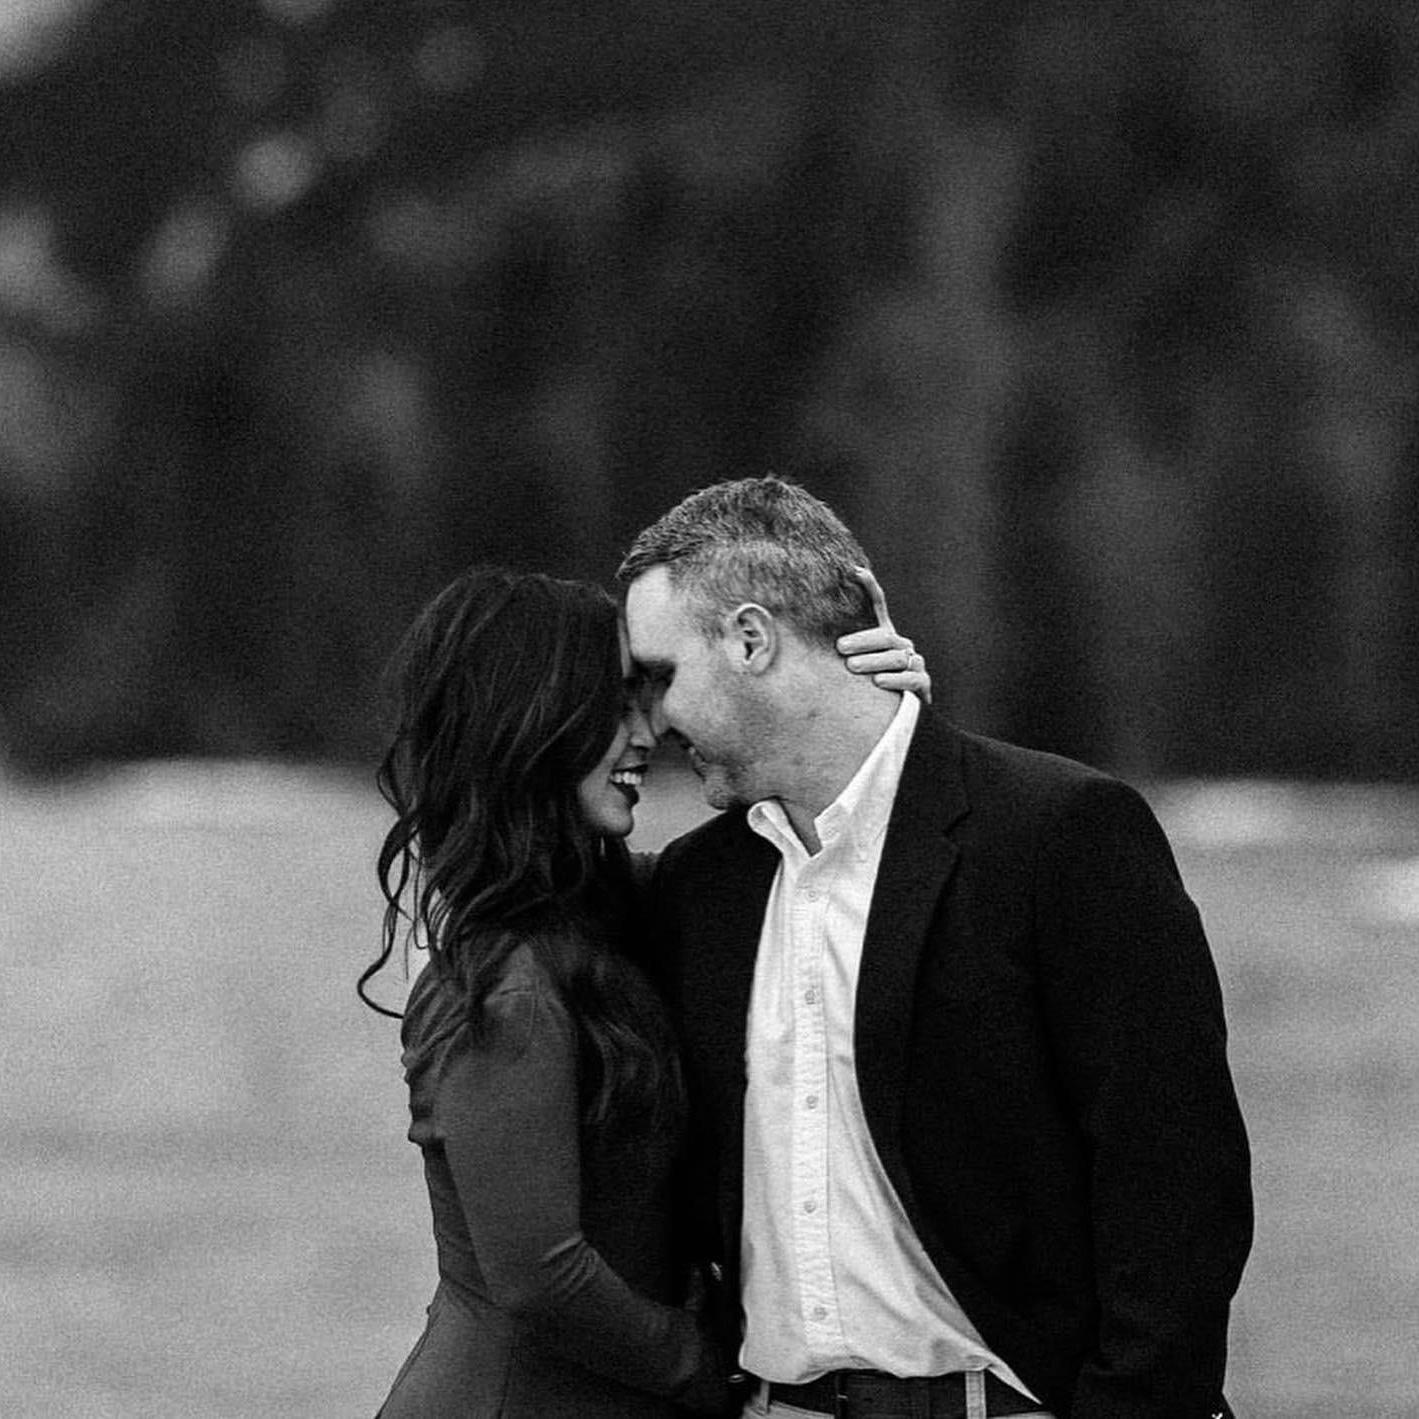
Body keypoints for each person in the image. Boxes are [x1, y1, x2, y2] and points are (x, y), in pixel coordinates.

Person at [617, 477, 1254, 1419]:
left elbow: (1174, 1176)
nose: (647, 722)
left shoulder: (1057, 833)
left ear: (751, 640)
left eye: (658, 676)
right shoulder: (698, 886)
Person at [358, 564, 926, 1418]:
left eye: (645, 701)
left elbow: (786, 853)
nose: (644, 734)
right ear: (529, 722)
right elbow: (542, 1277)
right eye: (612, 708)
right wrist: (708, 1368)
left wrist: (872, 721)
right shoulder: (506, 984)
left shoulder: (609, 915)